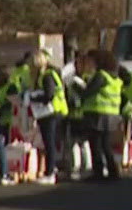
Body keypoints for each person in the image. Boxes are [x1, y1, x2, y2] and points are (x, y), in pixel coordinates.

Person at [76, 49, 124, 181]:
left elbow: (88, 93)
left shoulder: (101, 76)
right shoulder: (114, 76)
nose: (90, 64)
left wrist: (77, 87)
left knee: (96, 144)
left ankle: (98, 173)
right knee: (106, 144)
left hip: (97, 113)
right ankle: (113, 172)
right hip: (111, 114)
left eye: (91, 61)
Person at [26, 49, 68, 184]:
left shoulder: (47, 76)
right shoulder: (50, 74)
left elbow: (49, 95)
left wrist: (33, 97)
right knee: (50, 143)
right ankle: (51, 170)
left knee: (49, 143)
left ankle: (50, 173)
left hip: (50, 112)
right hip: (53, 112)